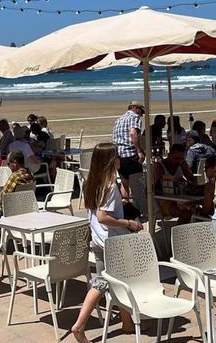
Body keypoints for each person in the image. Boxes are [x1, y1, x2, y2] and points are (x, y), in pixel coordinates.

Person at [70, 143, 143, 343]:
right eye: (117, 156)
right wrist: (128, 222)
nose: (120, 159)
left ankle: (126, 322)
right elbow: (103, 216)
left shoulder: (92, 182)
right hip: (112, 241)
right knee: (108, 282)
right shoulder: (110, 185)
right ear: (111, 160)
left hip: (99, 239)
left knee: (112, 280)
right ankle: (79, 324)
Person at [153, 143, 196, 223]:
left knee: (195, 210)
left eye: (181, 159)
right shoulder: (159, 167)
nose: (178, 161)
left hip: (179, 200)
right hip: (162, 203)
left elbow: (193, 180)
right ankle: (178, 233)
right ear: (169, 155)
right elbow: (150, 189)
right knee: (185, 213)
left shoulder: (181, 164)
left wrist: (185, 168)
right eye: (176, 158)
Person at [112, 101, 146, 180]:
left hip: (118, 154)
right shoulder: (134, 117)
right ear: (137, 109)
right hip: (130, 154)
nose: (142, 115)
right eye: (142, 112)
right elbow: (133, 133)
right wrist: (139, 151)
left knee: (124, 183)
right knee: (137, 183)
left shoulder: (119, 119)